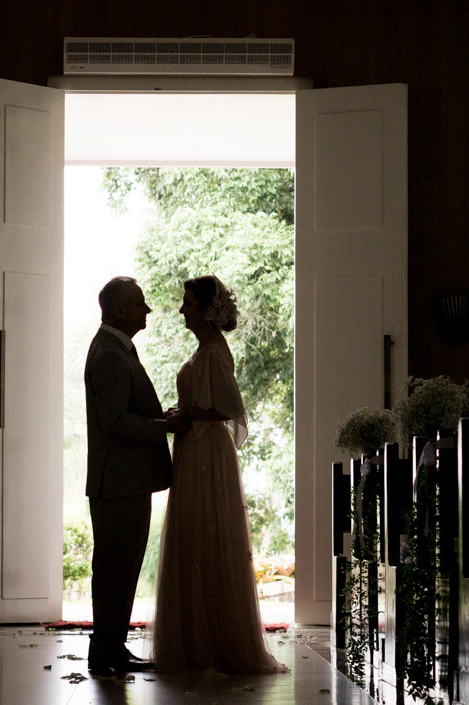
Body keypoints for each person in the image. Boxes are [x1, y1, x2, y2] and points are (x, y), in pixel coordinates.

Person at [152, 275, 289, 674]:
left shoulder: (211, 353)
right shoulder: (206, 349)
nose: (182, 310)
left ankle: (210, 642)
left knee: (205, 535)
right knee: (197, 537)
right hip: (197, 448)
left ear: (208, 312)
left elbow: (229, 407)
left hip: (206, 452)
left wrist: (185, 414)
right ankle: (198, 640)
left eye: (188, 303)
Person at [84, 275, 187, 677]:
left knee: (121, 567)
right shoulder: (110, 353)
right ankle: (106, 649)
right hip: (119, 484)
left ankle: (112, 646)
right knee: (114, 568)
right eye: (140, 303)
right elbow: (114, 420)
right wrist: (164, 425)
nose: (147, 310)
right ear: (119, 309)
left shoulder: (116, 348)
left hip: (125, 483)